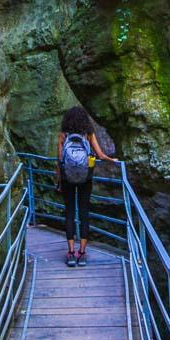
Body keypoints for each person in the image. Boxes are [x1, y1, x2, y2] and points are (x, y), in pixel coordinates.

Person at [55, 105, 117, 267]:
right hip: (85, 178)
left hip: (68, 178)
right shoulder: (88, 134)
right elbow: (100, 155)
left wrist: (59, 181)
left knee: (69, 213)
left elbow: (60, 160)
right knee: (84, 214)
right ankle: (82, 253)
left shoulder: (63, 135)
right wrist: (113, 161)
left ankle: (70, 253)